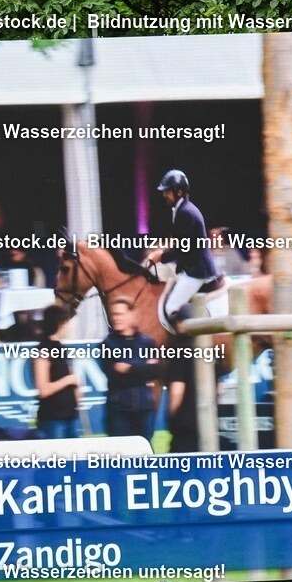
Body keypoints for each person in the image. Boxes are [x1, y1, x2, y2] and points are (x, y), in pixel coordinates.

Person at [145, 169, 219, 322]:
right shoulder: (181, 209)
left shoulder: (186, 212)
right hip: (190, 267)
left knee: (170, 307)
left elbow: (182, 248)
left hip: (197, 271)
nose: (164, 195)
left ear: (178, 192)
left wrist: (161, 256)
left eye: (167, 191)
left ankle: (194, 333)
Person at [100, 298, 161, 441]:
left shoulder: (147, 343)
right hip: (119, 410)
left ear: (132, 315)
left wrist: (129, 368)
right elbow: (115, 377)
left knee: (145, 450)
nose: (116, 318)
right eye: (114, 314)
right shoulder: (107, 344)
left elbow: (156, 371)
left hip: (145, 409)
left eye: (120, 314)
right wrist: (144, 368)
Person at [33, 305, 80, 439]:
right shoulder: (44, 350)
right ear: (60, 324)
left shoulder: (61, 348)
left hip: (70, 416)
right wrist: (68, 380)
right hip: (53, 419)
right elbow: (43, 389)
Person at [166, 306, 199, 453]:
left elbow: (177, 391)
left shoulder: (179, 351)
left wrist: (172, 415)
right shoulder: (210, 350)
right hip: (207, 420)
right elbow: (219, 388)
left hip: (185, 423)